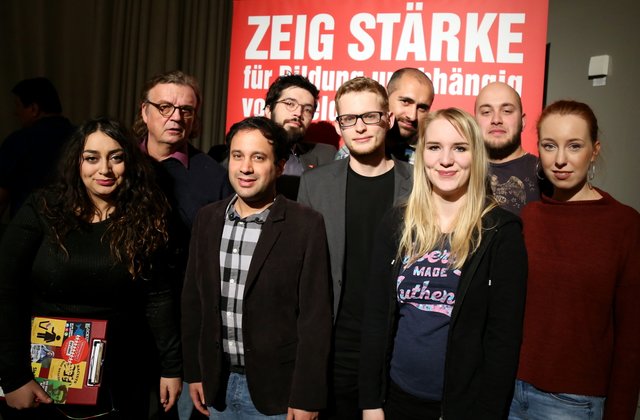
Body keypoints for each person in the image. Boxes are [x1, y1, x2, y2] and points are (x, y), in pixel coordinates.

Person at [0, 117, 182, 419]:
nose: (105, 170)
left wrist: (171, 368)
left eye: (116, 158)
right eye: (91, 158)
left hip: (120, 380)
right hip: (41, 376)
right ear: (76, 163)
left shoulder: (146, 216)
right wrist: (13, 377)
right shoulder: (43, 208)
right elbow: (5, 293)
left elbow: (158, 298)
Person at [359, 108, 528, 420]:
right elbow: (375, 319)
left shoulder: (500, 232)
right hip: (396, 400)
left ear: (476, 156)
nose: (446, 160)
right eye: (435, 147)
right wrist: (371, 402)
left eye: (459, 148)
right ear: (422, 155)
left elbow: (503, 341)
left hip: (461, 407)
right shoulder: (397, 222)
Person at [182, 116, 332, 419]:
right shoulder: (208, 219)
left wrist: (306, 395)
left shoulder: (305, 225)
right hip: (218, 387)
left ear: (278, 166)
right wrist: (195, 372)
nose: (245, 168)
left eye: (258, 157)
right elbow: (194, 301)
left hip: (277, 394)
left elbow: (315, 319)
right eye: (237, 156)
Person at [509, 100, 640, 420]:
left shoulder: (624, 224)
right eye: (550, 146)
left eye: (575, 146)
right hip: (510, 390)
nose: (561, 160)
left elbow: (632, 335)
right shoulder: (530, 217)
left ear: (594, 150)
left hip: (574, 402)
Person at [298, 77, 413, 420]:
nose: (359, 127)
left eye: (370, 116)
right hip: (334, 351)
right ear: (339, 125)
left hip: (396, 349)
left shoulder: (420, 182)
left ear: (389, 119)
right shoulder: (314, 185)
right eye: (349, 119)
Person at [133, 70, 232, 419]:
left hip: (180, 325)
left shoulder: (215, 178)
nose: (175, 116)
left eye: (186, 110)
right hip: (118, 322)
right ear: (144, 112)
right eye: (164, 106)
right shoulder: (116, 165)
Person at [0, 77, 74, 218]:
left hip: (28, 230)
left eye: (18, 105)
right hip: (72, 229)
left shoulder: (18, 141)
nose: (15, 113)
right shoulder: (81, 138)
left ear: (34, 109)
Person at [335, 68, 434, 164]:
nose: (412, 116)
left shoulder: (432, 158)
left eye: (422, 108)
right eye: (405, 102)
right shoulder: (350, 153)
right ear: (386, 98)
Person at [264, 74, 336, 199]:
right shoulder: (239, 156)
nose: (298, 113)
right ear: (269, 111)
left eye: (307, 109)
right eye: (290, 104)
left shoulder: (326, 157)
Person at [474, 82, 540, 214]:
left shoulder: (544, 173)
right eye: (486, 112)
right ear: (474, 122)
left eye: (507, 111)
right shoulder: (460, 171)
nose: (496, 119)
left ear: (522, 121)